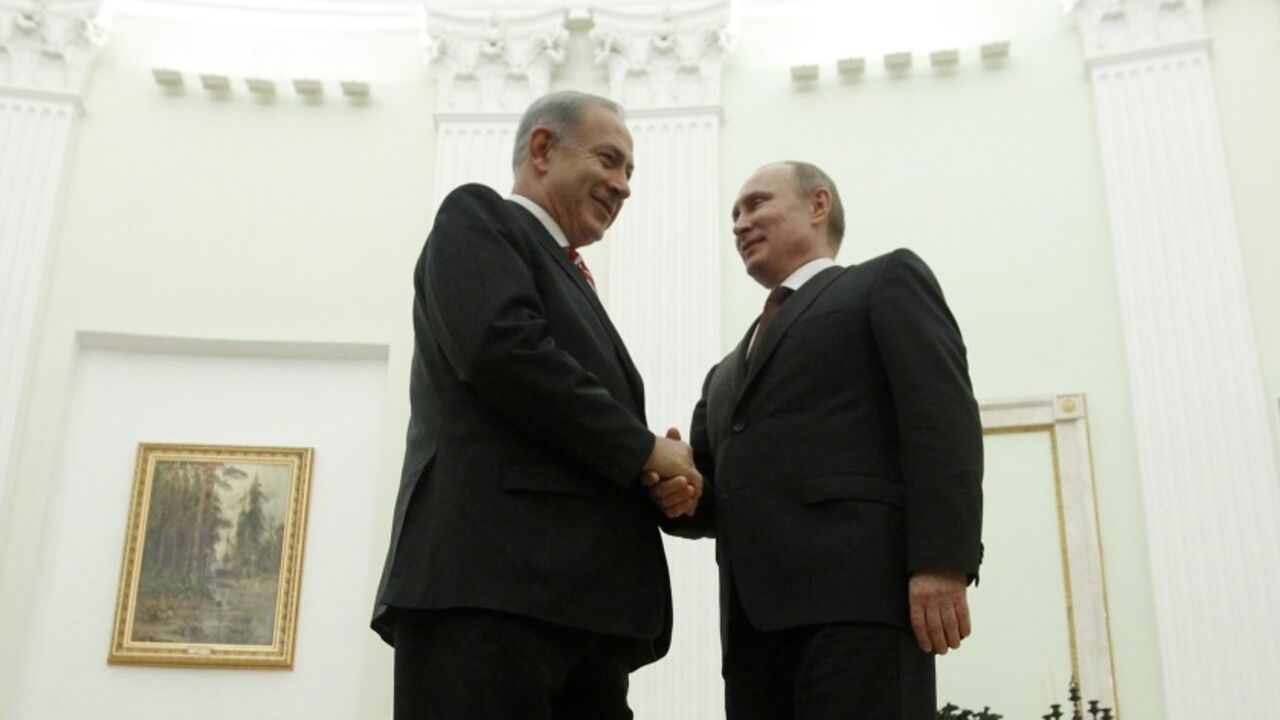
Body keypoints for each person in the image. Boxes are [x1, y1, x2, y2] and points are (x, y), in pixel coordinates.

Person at [371, 90, 703, 720]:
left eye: (630, 172)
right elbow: (504, 351)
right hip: (488, 593)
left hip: (579, 612)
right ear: (543, 149)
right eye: (609, 160)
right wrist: (641, 448)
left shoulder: (570, 276)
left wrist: (658, 482)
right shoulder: (479, 218)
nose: (623, 186)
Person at [649, 161, 984, 719]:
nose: (740, 223)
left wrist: (942, 563)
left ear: (817, 205)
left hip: (861, 607)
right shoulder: (724, 373)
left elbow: (942, 422)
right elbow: (710, 496)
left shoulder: (884, 281)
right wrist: (676, 492)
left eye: (756, 204)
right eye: (733, 214)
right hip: (752, 632)